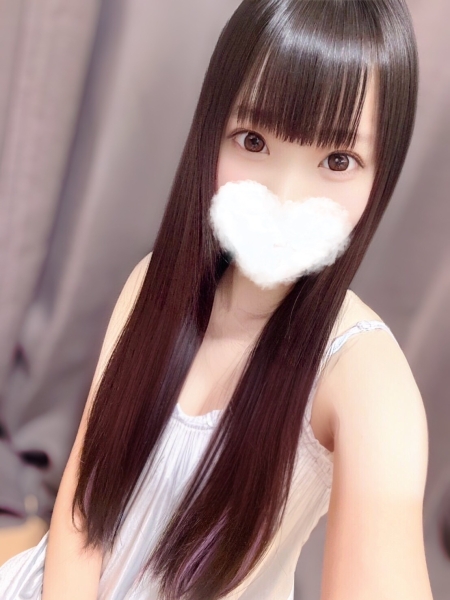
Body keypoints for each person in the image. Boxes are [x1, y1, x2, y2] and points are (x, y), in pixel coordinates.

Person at [0, 0, 433, 598]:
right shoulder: (152, 284)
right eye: (253, 140)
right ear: (211, 133)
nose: (285, 194)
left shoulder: (367, 379)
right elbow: (82, 513)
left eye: (338, 160)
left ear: (381, 172)